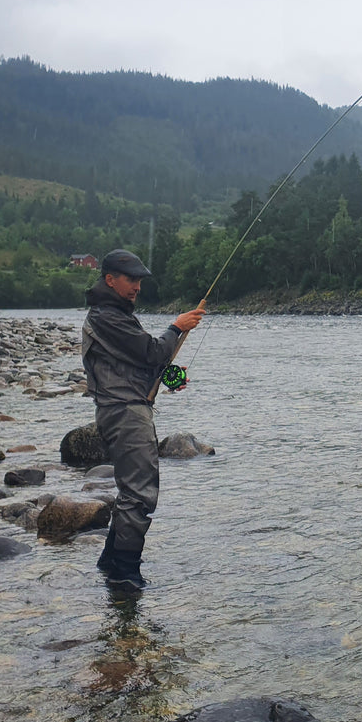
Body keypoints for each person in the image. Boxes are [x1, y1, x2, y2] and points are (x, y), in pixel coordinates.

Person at [82, 249, 205, 593]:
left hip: (126, 409)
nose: (137, 286)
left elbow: (139, 363)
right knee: (139, 497)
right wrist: (175, 328)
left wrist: (169, 377)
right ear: (110, 280)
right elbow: (151, 351)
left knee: (130, 495)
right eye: (131, 279)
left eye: (139, 280)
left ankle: (110, 564)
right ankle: (126, 577)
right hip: (124, 413)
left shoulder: (116, 314)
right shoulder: (106, 316)